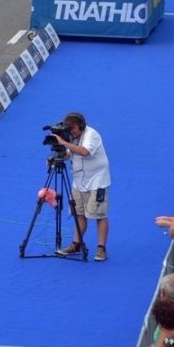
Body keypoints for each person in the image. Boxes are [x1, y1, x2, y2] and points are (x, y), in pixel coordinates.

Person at [54, 112, 111, 261]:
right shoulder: (72, 137)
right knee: (78, 213)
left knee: (99, 215)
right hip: (79, 180)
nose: (71, 132)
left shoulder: (91, 135)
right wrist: (56, 156)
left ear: (81, 126)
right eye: (69, 129)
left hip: (97, 181)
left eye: (73, 128)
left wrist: (64, 143)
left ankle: (101, 249)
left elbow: (84, 152)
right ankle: (76, 244)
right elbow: (69, 154)